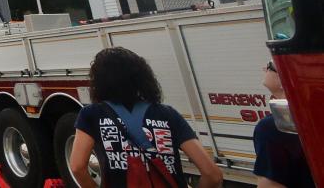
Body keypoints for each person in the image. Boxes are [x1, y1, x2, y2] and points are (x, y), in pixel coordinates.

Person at [70, 47, 222, 188]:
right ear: (142, 77)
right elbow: (212, 175)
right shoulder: (168, 114)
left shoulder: (91, 114)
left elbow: (77, 167)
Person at [253, 59, 313, 188]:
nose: (264, 69)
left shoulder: (272, 127)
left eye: (269, 66)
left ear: (284, 78)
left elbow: (269, 186)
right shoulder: (313, 115)